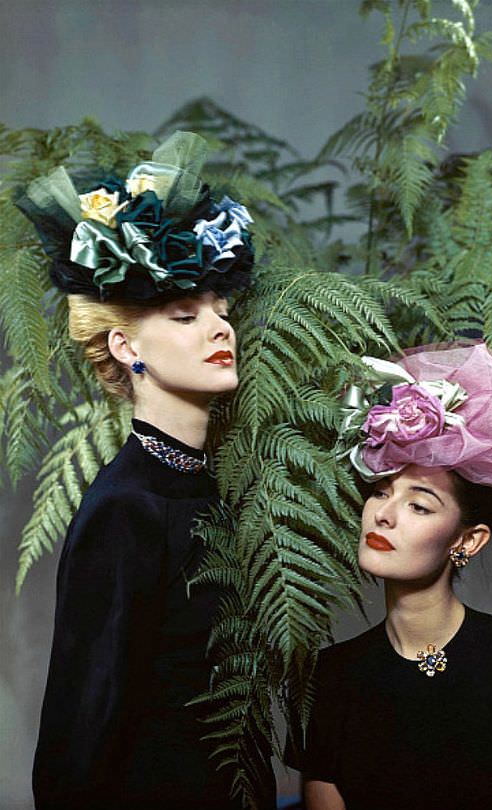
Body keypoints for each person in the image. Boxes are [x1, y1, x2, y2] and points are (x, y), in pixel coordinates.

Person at [16, 132, 275, 809]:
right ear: (126, 345)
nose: (221, 328)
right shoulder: (125, 509)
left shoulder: (218, 488)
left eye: (223, 311)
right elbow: (80, 736)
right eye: (187, 315)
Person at [286, 341, 492, 810]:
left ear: (467, 541)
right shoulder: (329, 678)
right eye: (379, 492)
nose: (384, 515)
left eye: (419, 504)